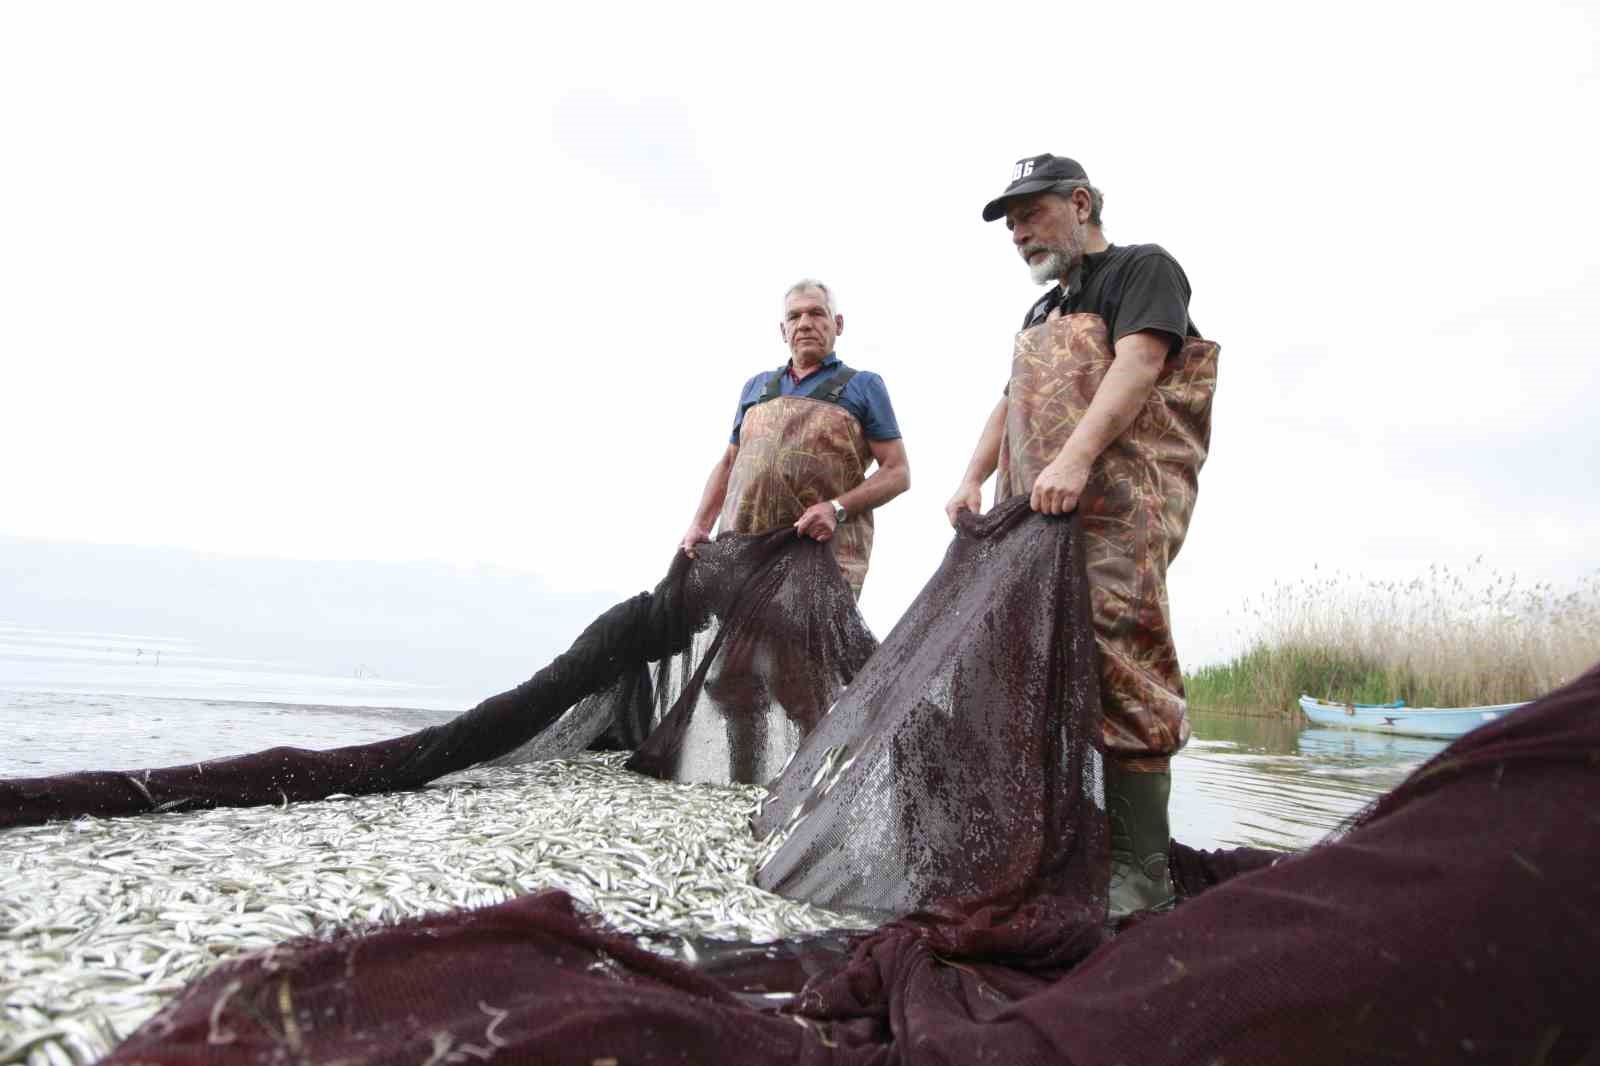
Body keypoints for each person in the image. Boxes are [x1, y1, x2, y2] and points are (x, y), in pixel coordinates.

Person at [945, 154, 1221, 917]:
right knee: (1026, 665)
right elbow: (1007, 404)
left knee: (1122, 662)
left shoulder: (1142, 270)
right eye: (1010, 224)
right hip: (1037, 521)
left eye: (1029, 214)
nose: (1018, 233)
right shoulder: (1040, 313)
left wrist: (1072, 459)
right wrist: (971, 477)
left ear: (1080, 203)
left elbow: (1142, 360)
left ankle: (1141, 873)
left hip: (1118, 511)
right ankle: (1055, 848)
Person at [680, 279, 910, 597]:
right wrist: (700, 524)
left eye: (816, 313)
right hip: (742, 558)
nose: (804, 324)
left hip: (819, 560)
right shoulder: (756, 387)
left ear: (838, 324)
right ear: (783, 330)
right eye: (794, 316)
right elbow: (729, 463)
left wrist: (836, 508)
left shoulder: (864, 385)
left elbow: (898, 472)